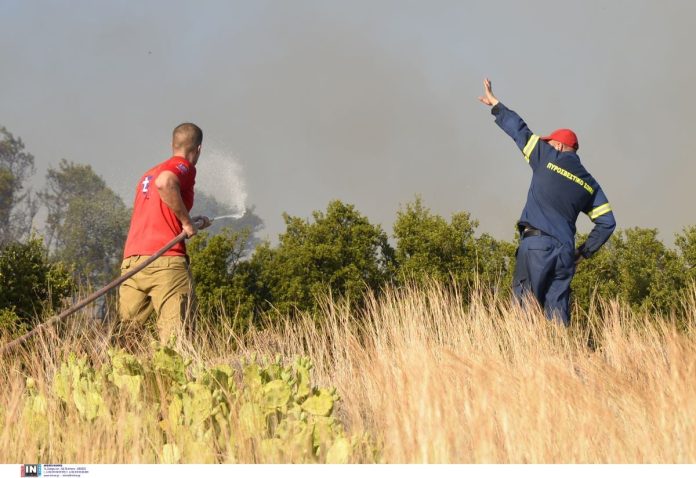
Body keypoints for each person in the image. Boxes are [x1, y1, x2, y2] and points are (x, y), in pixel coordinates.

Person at [478, 78, 616, 325]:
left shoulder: (546, 156)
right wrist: (583, 253)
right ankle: (558, 359)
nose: (546, 143)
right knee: (557, 317)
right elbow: (607, 223)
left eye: (549, 141)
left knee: (524, 309)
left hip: (537, 246)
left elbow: (519, 130)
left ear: (560, 146)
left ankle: (526, 359)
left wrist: (495, 104)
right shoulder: (589, 183)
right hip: (564, 253)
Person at [118, 122, 211, 342]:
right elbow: (165, 183)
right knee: (177, 340)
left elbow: (158, 211)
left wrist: (186, 220)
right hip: (165, 262)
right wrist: (187, 224)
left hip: (133, 264)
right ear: (198, 149)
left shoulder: (148, 174)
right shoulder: (182, 167)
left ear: (172, 144)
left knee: (125, 341)